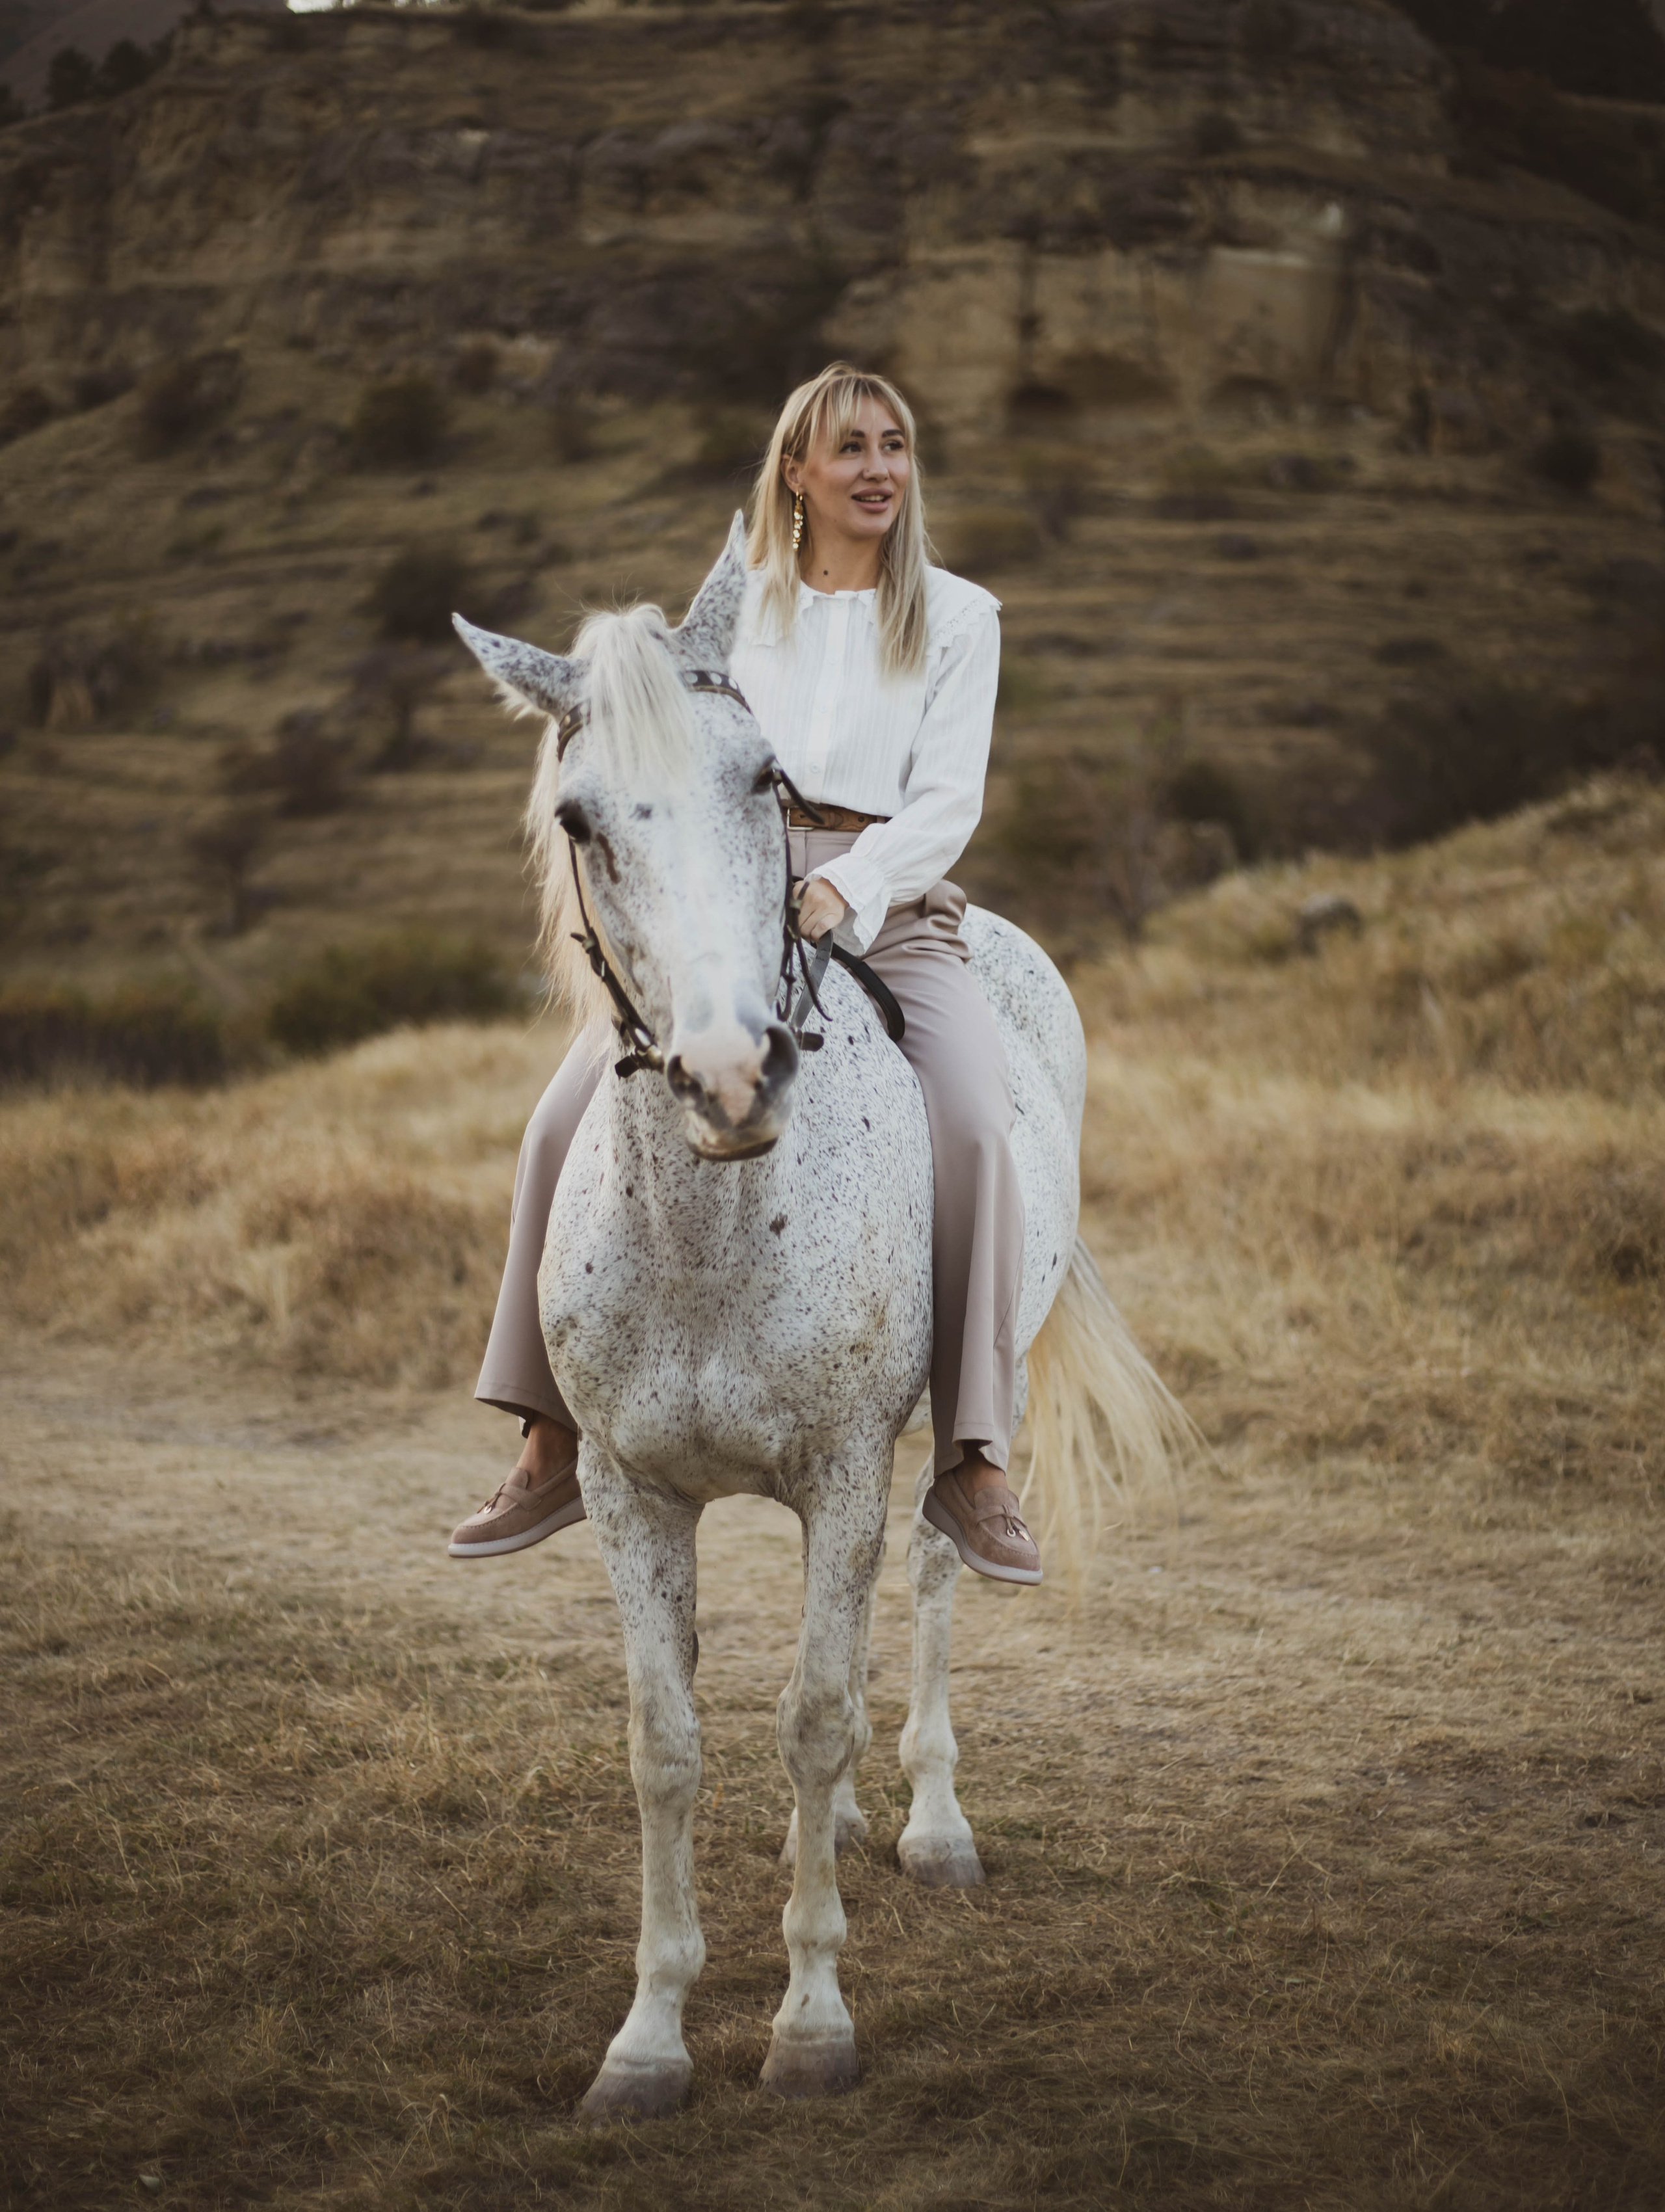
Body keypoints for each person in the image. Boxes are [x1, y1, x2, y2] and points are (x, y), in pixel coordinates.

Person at [447, 362, 1040, 1584]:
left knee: (978, 1124)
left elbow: (948, 803)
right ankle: (550, 1432)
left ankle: (973, 1459)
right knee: (560, 1121)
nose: (881, 467)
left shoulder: (960, 616)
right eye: (852, 447)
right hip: (741, 903)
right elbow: (672, 759)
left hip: (895, 910)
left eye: (897, 445)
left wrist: (849, 889)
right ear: (797, 472)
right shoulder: (733, 612)